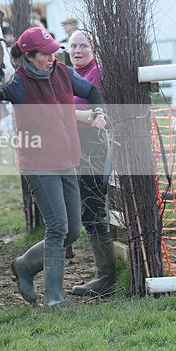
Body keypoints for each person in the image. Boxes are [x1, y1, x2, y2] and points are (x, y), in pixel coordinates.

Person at [0, 26, 105, 306]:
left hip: (68, 160)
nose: (53, 57)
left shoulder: (63, 73)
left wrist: (99, 111)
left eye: (54, 52)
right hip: (39, 166)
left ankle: (24, 267)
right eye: (46, 54)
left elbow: (92, 92)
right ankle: (54, 298)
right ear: (29, 56)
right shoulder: (19, 83)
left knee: (73, 230)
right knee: (58, 228)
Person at [68, 29, 117, 296]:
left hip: (92, 148)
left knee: (92, 208)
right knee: (82, 209)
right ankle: (103, 272)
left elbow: (101, 112)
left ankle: (105, 276)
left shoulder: (96, 74)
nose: (77, 51)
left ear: (93, 48)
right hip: (74, 147)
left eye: (83, 46)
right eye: (73, 45)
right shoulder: (72, 74)